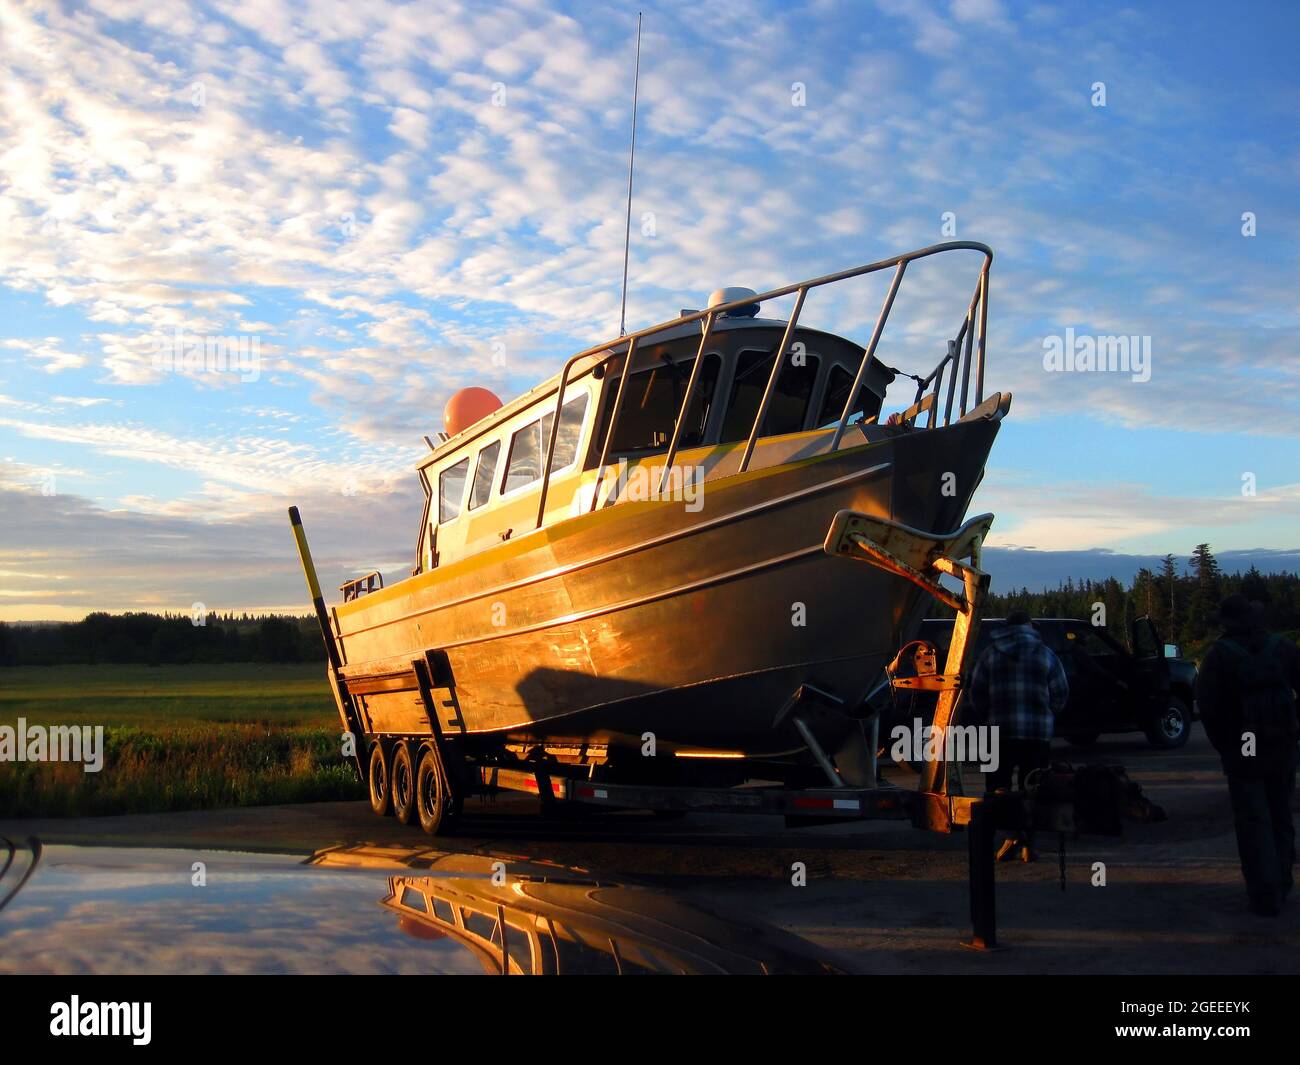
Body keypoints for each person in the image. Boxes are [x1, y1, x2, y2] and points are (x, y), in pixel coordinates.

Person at [1196, 594, 1300, 916]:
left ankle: (1263, 892)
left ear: (1226, 624)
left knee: (1253, 821)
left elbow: (1209, 711)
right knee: (1281, 814)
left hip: (1244, 747)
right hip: (1281, 745)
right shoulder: (1283, 649)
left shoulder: (1218, 656)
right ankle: (1282, 882)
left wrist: (1228, 748)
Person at [965, 611, 1069, 861]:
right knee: (1032, 789)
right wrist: (1046, 715)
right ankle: (1027, 845)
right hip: (1036, 734)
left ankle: (1008, 837)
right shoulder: (1046, 653)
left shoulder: (991, 653)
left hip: (999, 732)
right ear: (1030, 627)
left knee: (998, 789)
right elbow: (1061, 692)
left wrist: (988, 715)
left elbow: (976, 691)